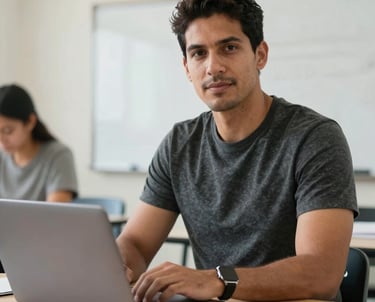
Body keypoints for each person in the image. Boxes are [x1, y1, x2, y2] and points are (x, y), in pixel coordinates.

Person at [116, 1, 357, 301]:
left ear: (260, 55)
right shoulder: (179, 144)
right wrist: (118, 265)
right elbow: (136, 244)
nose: (213, 67)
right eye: (198, 53)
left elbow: (321, 273)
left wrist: (218, 280)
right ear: (186, 68)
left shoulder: (315, 138)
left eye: (228, 48)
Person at [0, 83, 78, 202]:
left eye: (7, 131)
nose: (1, 139)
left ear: (30, 122)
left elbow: (55, 214)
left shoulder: (58, 156)